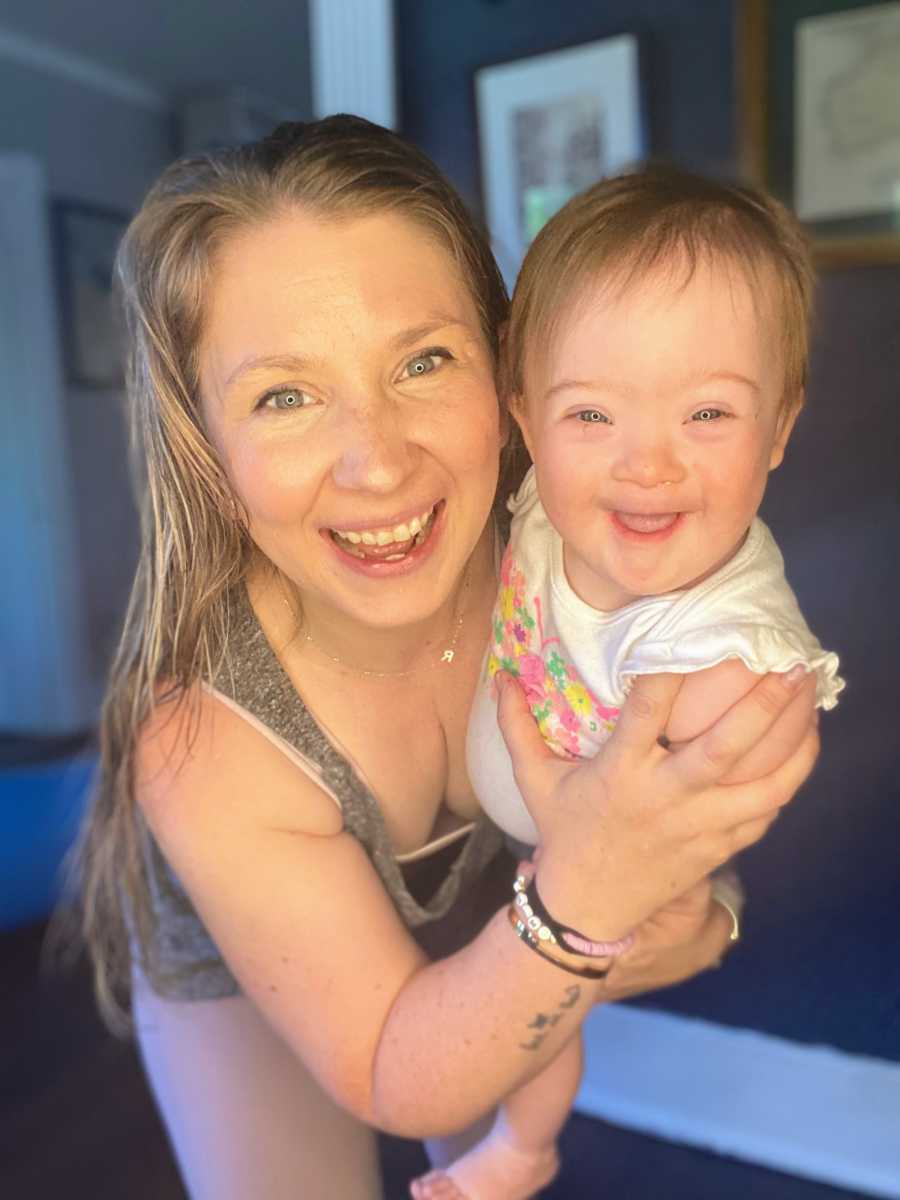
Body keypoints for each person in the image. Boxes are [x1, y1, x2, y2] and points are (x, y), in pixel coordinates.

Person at [76, 117, 819, 1200]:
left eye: (424, 360)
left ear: (506, 363)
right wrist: (586, 900)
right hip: (245, 963)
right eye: (284, 394)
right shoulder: (204, 742)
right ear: (203, 439)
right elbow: (392, 1065)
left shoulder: (574, 541)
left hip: (505, 910)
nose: (378, 464)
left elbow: (674, 879)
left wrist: (693, 899)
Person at [416, 166, 843, 1200]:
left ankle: (522, 1151)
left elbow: (749, 768)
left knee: (527, 1018)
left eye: (706, 415)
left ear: (779, 428)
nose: (646, 464)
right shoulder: (540, 501)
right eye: (593, 417)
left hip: (613, 873)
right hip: (517, 828)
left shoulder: (719, 653)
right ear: (521, 415)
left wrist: (607, 857)